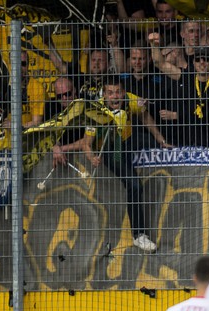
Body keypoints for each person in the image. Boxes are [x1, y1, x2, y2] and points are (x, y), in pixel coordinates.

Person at [69, 76, 169, 252]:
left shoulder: (130, 99)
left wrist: (160, 139)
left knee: (151, 143)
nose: (114, 97)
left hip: (129, 140)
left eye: (118, 92)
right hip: (110, 147)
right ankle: (139, 235)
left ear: (123, 92)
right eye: (110, 93)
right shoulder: (96, 111)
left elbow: (145, 116)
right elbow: (86, 143)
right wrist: (92, 157)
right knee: (134, 184)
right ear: (104, 95)